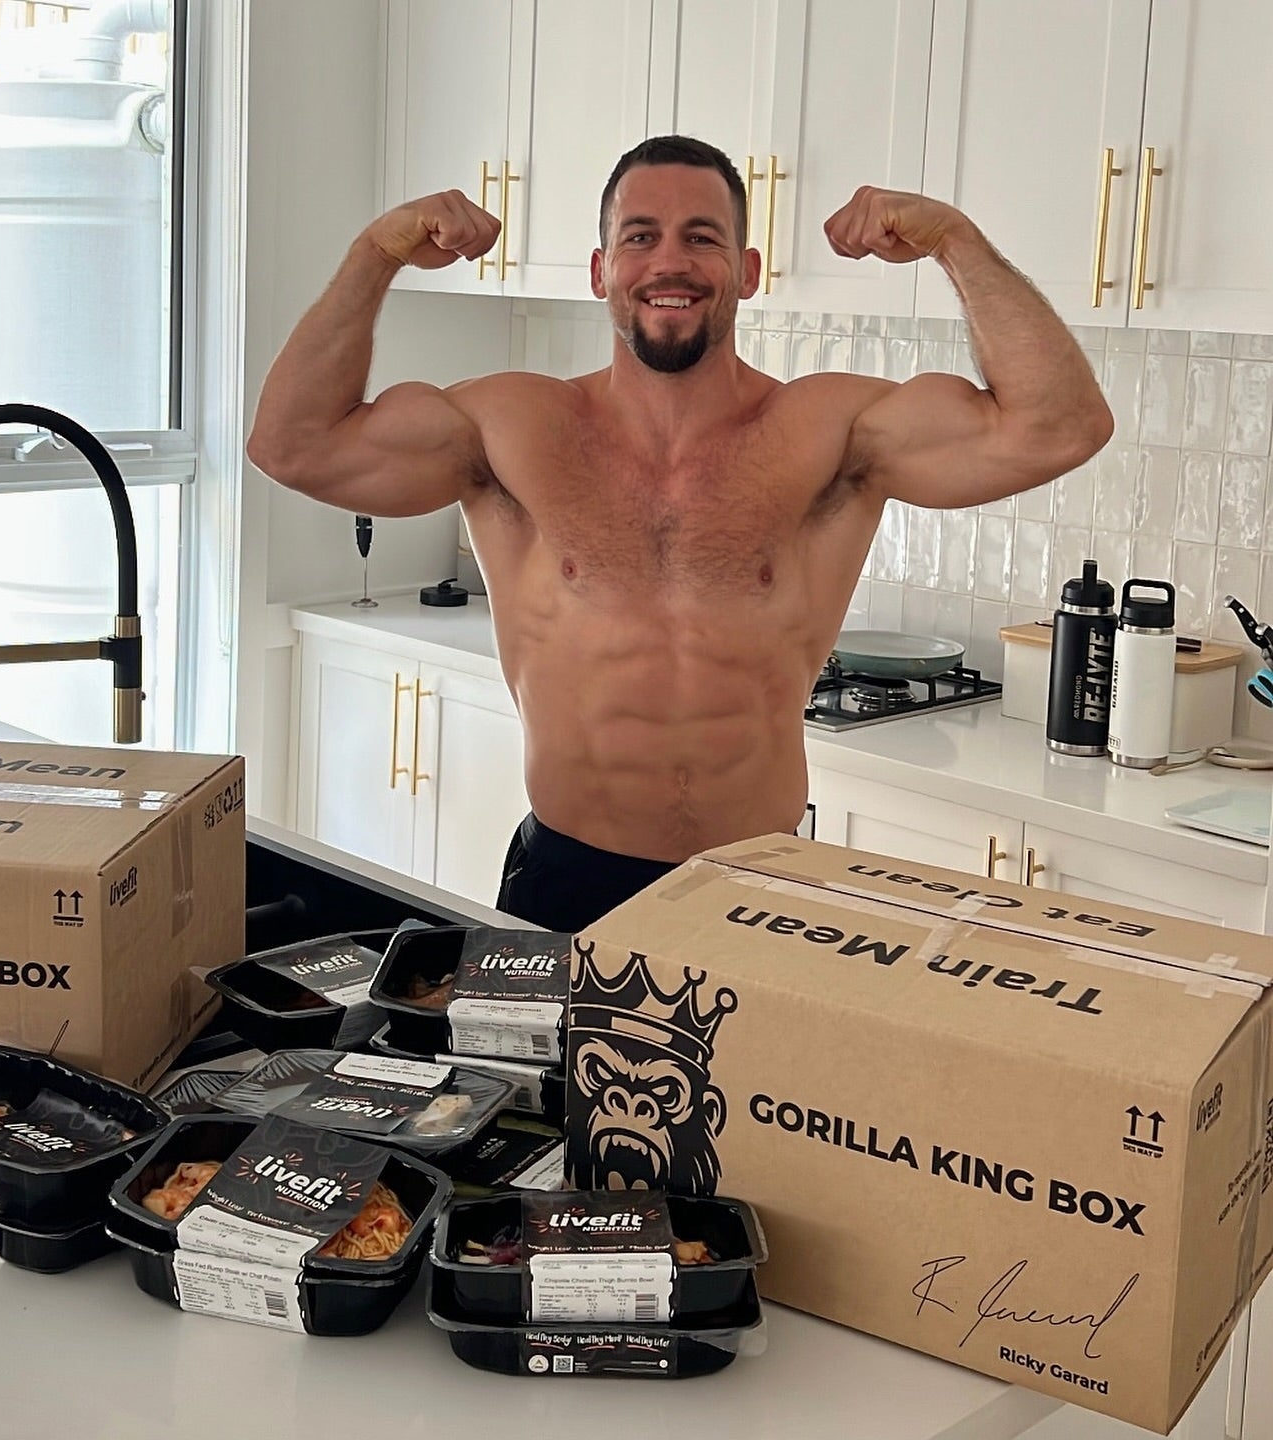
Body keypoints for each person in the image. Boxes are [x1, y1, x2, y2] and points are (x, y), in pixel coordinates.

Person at [247, 135, 1113, 933]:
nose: (670, 262)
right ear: (599, 270)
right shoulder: (516, 425)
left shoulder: (824, 431)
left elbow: (1059, 427)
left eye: (701, 238)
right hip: (565, 879)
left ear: (746, 269)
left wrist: (954, 239)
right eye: (640, 237)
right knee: (540, 1111)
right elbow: (292, 445)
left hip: (761, 891)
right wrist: (376, 253)